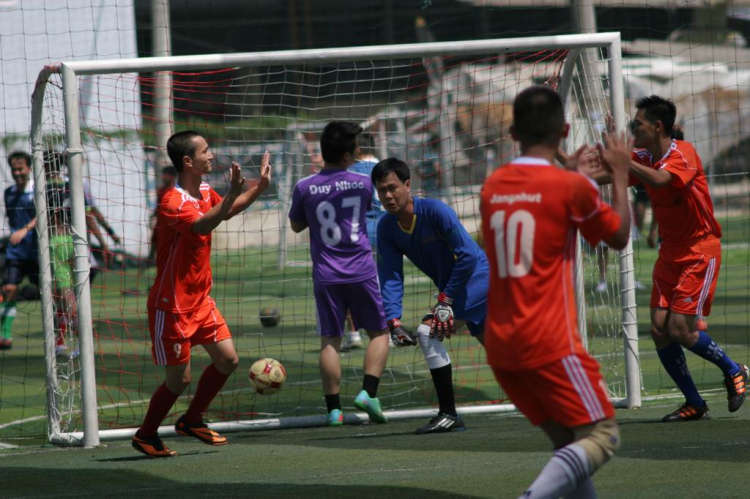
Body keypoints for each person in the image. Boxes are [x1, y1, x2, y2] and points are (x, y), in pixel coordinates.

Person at [480, 86, 631, 498]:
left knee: (569, 443)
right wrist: (618, 172)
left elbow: (538, 204)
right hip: (548, 340)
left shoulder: (493, 187)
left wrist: (575, 174)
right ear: (565, 129)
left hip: (501, 344)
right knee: (602, 435)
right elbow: (617, 235)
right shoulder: (570, 189)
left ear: (512, 132)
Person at [583, 96, 748, 421]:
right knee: (659, 328)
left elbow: (659, 179)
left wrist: (622, 159)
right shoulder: (643, 156)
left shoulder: (683, 153)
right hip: (670, 251)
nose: (633, 129)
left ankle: (734, 370)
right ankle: (694, 402)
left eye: (638, 124)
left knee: (679, 329)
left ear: (657, 126)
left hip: (700, 250)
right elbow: (604, 174)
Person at [131, 131, 271, 457]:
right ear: (188, 161)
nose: (212, 155)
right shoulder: (172, 201)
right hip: (173, 306)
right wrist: (235, 191)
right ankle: (146, 435)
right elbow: (204, 225)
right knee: (180, 381)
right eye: (206, 151)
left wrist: (258, 188)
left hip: (201, 300)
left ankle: (192, 420)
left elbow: (228, 209)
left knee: (228, 360)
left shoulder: (205, 190)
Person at [373, 157, 489, 434]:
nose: (388, 196)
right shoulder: (386, 227)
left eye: (393, 188)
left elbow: (469, 256)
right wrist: (393, 319)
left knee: (427, 333)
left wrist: (446, 300)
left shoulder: (436, 211)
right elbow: (390, 274)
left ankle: (449, 414)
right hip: (458, 290)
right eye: (381, 191)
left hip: (479, 280)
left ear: (408, 185)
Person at [288, 121, 390, 427]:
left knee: (330, 340)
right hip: (361, 269)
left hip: (326, 274)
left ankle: (334, 410)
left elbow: (296, 225)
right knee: (379, 332)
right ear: (348, 155)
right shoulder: (362, 183)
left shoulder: (304, 186)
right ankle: (368, 392)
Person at [341, 136, 384, 351]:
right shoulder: (384, 168)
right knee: (384, 283)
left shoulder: (349, 173)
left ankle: (353, 333)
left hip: (357, 235)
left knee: (353, 284)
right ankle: (390, 330)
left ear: (357, 149)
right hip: (383, 233)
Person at [1, 152, 38, 350]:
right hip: (16, 252)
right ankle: (4, 336)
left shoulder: (37, 190)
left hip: (38, 252)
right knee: (8, 290)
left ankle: (62, 336)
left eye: (20, 168)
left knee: (52, 294)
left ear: (29, 168)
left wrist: (26, 229)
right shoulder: (9, 193)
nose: (17, 173)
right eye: (14, 169)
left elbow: (43, 215)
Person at [148, 166, 177, 264]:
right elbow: (158, 207)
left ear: (172, 177)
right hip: (160, 223)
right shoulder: (161, 190)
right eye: (163, 175)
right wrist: (153, 216)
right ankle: (151, 260)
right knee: (154, 240)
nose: (164, 177)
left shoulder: (176, 191)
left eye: (166, 175)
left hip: (172, 223)